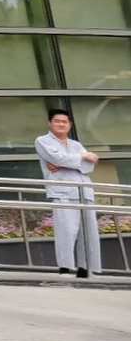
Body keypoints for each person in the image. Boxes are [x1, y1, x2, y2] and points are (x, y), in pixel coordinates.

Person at [37, 108, 102, 278]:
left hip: (84, 191)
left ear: (70, 125)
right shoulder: (43, 141)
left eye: (64, 122)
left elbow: (90, 166)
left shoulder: (76, 144)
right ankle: (65, 268)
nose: (61, 124)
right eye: (57, 121)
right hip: (62, 192)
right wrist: (81, 158)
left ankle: (86, 268)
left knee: (88, 232)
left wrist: (66, 163)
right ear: (50, 123)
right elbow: (58, 158)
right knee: (66, 230)